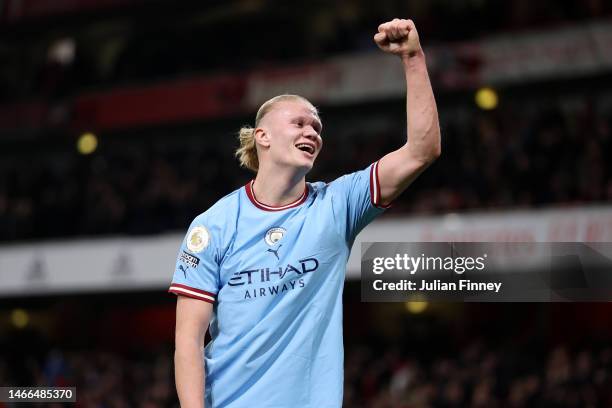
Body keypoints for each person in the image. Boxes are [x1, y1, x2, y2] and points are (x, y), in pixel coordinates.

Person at [169, 18, 440, 408]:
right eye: (299, 123)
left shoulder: (338, 205)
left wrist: (413, 58)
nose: (312, 132)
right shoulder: (213, 226)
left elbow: (422, 150)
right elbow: (188, 341)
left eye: (317, 126)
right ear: (262, 136)